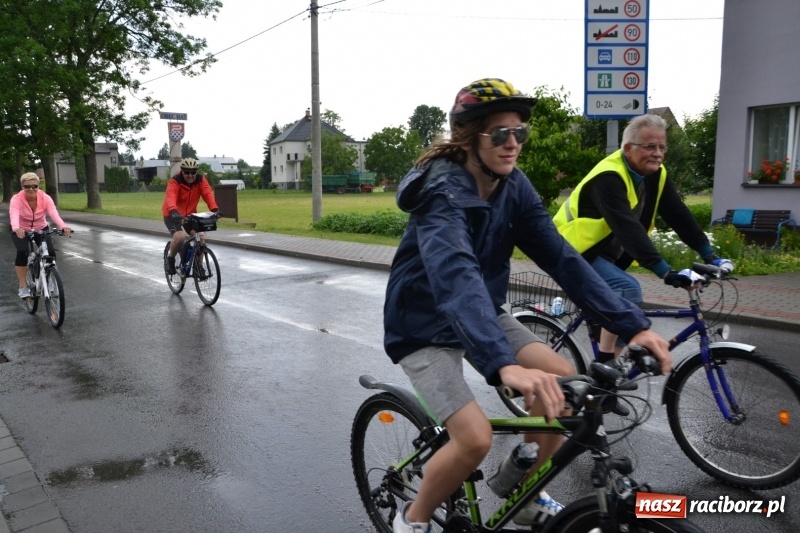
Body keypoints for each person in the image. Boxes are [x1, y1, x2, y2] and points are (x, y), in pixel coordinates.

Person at [383, 78, 671, 533]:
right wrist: (501, 365)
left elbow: (561, 258)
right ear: (469, 137)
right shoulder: (442, 192)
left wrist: (631, 324)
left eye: (520, 133)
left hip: (484, 313)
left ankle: (523, 494)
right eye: (500, 134)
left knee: (566, 389)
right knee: (474, 439)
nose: (513, 143)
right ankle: (412, 518)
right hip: (423, 324)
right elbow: (456, 278)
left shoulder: (513, 187)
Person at [553, 114, 734, 363]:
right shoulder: (608, 177)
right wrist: (666, 272)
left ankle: (606, 363)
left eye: (662, 147)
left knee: (617, 300)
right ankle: (605, 365)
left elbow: (678, 214)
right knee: (627, 288)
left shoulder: (655, 175)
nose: (657, 153)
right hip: (572, 250)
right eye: (650, 146)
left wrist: (709, 254)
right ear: (628, 148)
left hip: (603, 253)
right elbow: (627, 228)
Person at [8, 173, 72, 299]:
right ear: (22, 186)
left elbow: (53, 213)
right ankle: (23, 287)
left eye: (34, 186)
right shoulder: (16, 199)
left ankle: (48, 280)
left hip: (40, 227)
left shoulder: (45, 197)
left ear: (38, 186)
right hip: (20, 229)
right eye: (27, 186)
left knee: (50, 253)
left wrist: (63, 226)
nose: (31, 189)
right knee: (22, 251)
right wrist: (16, 228)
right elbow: (14, 214)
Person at [161, 157, 219, 275]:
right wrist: (173, 212)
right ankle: (170, 260)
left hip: (189, 215)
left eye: (193, 172)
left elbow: (207, 193)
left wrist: (215, 209)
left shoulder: (200, 180)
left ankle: (198, 267)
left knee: (201, 237)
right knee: (180, 237)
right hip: (172, 214)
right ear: (182, 171)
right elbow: (170, 197)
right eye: (187, 172)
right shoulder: (175, 181)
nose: (190, 175)